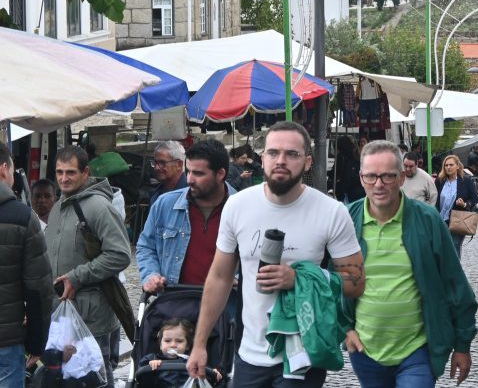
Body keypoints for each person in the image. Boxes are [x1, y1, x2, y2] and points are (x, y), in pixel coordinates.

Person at [187, 121, 366, 387]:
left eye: (291, 154)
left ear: (307, 162)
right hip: (249, 354)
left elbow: (356, 282)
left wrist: (299, 279)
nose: (280, 160)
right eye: (273, 153)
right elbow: (220, 278)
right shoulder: (237, 206)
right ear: (262, 158)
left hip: (303, 355)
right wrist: (199, 344)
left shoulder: (331, 211)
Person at [341, 141, 478, 387]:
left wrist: (463, 344)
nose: (379, 184)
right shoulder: (347, 221)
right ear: (362, 178)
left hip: (417, 349)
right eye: (371, 176)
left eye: (388, 176)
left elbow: (454, 281)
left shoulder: (427, 220)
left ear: (402, 178)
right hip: (366, 352)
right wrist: (344, 329)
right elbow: (329, 283)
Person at [47, 145, 132, 385]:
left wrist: (78, 276)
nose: (64, 178)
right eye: (59, 172)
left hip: (94, 319)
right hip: (63, 319)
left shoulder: (98, 207)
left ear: (85, 173)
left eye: (70, 172)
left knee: (96, 380)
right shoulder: (57, 208)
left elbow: (120, 255)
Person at [137, 139, 235, 293]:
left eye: (198, 173)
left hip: (226, 306)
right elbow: (146, 245)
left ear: (220, 174)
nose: (189, 179)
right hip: (176, 303)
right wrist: (150, 275)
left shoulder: (243, 209)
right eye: (188, 171)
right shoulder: (165, 204)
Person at [0, 142, 53, 384]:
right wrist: (37, 342)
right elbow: (38, 289)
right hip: (7, 341)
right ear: (3, 170)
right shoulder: (22, 218)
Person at [142, 318, 223, 386]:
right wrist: (150, 367)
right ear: (160, 344)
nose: (173, 345)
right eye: (167, 341)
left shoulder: (192, 361)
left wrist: (212, 373)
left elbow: (204, 375)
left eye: (179, 341)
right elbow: (142, 379)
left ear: (187, 345)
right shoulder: (151, 358)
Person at [434, 155, 478, 259]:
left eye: (451, 165)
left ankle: (455, 271)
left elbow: (474, 198)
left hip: (458, 219)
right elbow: (434, 198)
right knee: (442, 247)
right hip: (441, 220)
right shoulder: (440, 181)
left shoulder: (466, 181)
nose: (448, 167)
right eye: (446, 165)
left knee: (455, 245)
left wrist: (465, 204)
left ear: (458, 166)